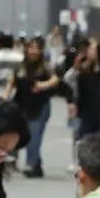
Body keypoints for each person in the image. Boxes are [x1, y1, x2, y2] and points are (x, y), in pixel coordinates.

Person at [6, 37, 59, 178]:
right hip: (22, 104)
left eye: (36, 48)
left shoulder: (44, 66)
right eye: (30, 48)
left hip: (39, 105)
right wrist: (5, 97)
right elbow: (11, 82)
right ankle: (36, 165)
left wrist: (43, 85)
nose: (33, 51)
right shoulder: (20, 66)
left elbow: (55, 79)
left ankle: (31, 164)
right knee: (21, 134)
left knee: (34, 135)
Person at [65, 36, 100, 145]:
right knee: (82, 144)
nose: (88, 51)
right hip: (84, 115)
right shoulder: (84, 73)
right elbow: (68, 80)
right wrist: (76, 67)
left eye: (92, 49)